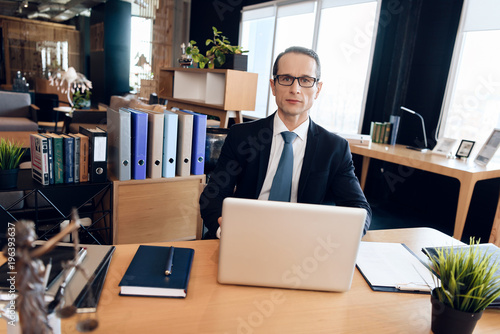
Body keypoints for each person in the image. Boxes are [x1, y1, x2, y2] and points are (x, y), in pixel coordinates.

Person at [199, 46, 371, 239]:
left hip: (300, 242)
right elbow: (213, 195)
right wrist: (225, 230)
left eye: (305, 80)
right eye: (286, 79)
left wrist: (332, 243)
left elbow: (359, 210)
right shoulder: (242, 136)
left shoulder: (334, 148)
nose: (295, 89)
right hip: (244, 234)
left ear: (318, 89)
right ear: (273, 86)